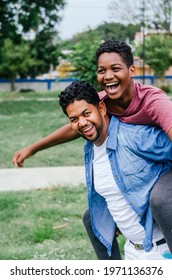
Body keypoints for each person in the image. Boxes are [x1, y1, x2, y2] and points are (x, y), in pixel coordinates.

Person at [12, 40, 172, 259]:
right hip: (134, 249)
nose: (108, 76)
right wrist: (33, 148)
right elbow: (75, 124)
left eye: (116, 68)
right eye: (101, 70)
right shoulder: (101, 105)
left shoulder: (152, 105)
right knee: (93, 216)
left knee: (161, 199)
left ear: (131, 70)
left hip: (160, 234)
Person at [59, 80, 171, 259]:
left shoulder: (134, 136)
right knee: (90, 216)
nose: (82, 123)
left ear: (101, 109)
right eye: (74, 119)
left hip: (161, 249)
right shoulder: (91, 150)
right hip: (133, 251)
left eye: (86, 113)